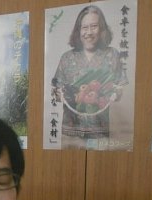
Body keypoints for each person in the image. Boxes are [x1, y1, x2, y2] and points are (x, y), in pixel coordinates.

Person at [52, 5, 127, 149]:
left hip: (99, 132)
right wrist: (59, 94)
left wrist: (116, 93)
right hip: (71, 133)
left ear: (102, 29)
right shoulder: (67, 57)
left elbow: (119, 88)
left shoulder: (112, 54)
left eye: (94, 26)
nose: (89, 32)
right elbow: (55, 91)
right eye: (84, 27)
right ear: (78, 30)